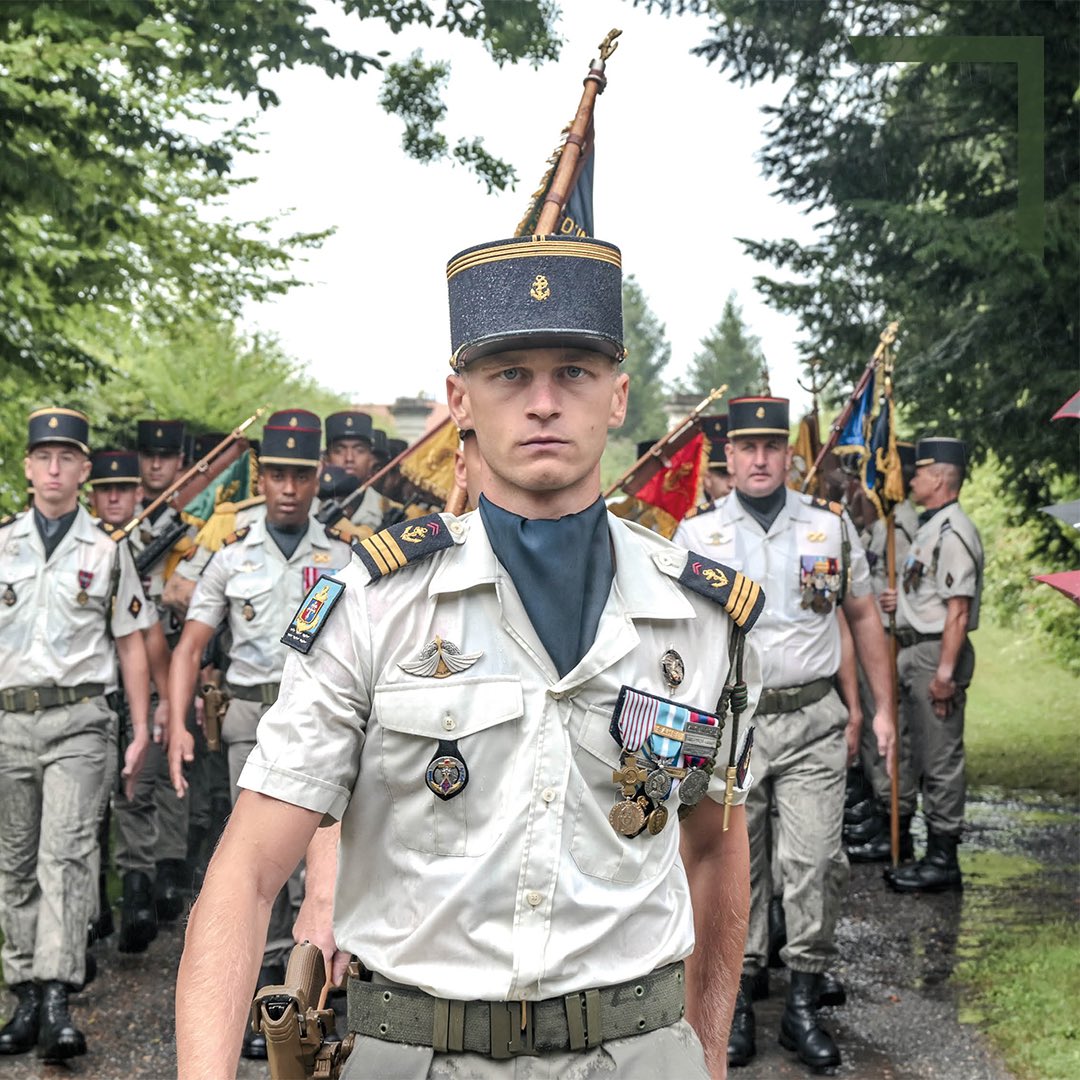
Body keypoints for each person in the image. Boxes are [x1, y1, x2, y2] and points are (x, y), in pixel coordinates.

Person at [174, 233, 764, 1079]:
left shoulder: (701, 617)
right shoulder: (374, 608)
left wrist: (702, 1058)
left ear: (619, 395)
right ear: (460, 398)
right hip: (418, 1054)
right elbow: (247, 870)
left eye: (575, 372)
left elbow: (714, 849)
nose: (544, 403)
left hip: (640, 1054)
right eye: (509, 374)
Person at [674, 396, 895, 1072]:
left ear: (789, 456)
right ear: (731, 457)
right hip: (734, 723)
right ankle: (734, 1003)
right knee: (735, 867)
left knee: (815, 860)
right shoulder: (697, 534)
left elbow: (861, 617)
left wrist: (880, 710)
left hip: (811, 721)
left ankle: (802, 1002)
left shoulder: (827, 529)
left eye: (773, 446)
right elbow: (677, 636)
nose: (761, 458)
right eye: (748, 447)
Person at [168, 409, 352, 1059]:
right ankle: (263, 997)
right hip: (250, 717)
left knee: (317, 872)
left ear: (317, 477)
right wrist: (176, 726)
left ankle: (310, 1001)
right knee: (257, 866)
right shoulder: (229, 556)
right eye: (276, 473)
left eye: (301, 474)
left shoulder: (346, 557)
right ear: (261, 475)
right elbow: (191, 645)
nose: (288, 487)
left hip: (327, 723)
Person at [0, 409, 154, 1061]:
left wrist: (143, 727)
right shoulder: (2, 544)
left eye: (68, 458)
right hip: (9, 720)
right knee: (14, 857)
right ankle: (23, 991)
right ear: (29, 467)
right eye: (45, 458)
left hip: (80, 721)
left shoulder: (107, 549)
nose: (55, 469)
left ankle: (57, 992)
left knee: (65, 854)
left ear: (85, 470)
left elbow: (131, 644)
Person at [879, 437, 983, 893]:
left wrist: (944, 674)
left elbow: (957, 610)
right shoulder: (931, 527)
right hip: (915, 647)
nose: (911, 479)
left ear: (940, 477)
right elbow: (928, 593)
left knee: (940, 757)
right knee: (915, 753)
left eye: (919, 472)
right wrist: (897, 601)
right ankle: (922, 851)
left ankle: (943, 859)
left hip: (936, 652)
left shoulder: (953, 530)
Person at [85, 449, 175, 952]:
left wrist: (164, 698)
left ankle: (137, 892)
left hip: (133, 685)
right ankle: (93, 907)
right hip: (92, 688)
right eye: (104, 488)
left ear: (138, 492)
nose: (114, 497)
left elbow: (150, 633)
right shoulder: (84, 547)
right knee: (88, 808)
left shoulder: (150, 544)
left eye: (123, 488)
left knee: (136, 793)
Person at [845, 442, 920, 863]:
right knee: (879, 735)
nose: (860, 490)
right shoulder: (879, 528)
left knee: (896, 736)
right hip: (876, 636)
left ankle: (898, 825)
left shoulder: (900, 526)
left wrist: (897, 602)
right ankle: (881, 811)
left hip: (895, 639)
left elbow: (907, 589)